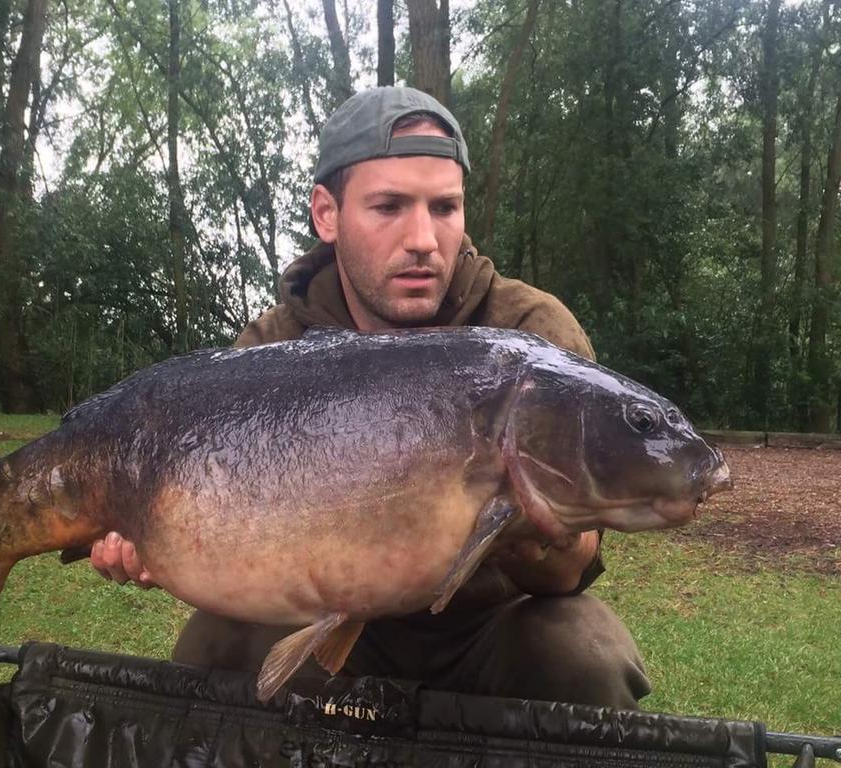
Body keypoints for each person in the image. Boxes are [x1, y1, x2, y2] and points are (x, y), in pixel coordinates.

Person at [89, 86, 651, 709]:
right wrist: (153, 538)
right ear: (327, 214)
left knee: (585, 651)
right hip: (330, 618)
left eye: (444, 207)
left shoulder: (529, 334)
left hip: (487, 625)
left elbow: (571, 568)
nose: (422, 238)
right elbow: (218, 521)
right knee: (213, 645)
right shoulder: (273, 346)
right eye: (389, 206)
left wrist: (524, 520)